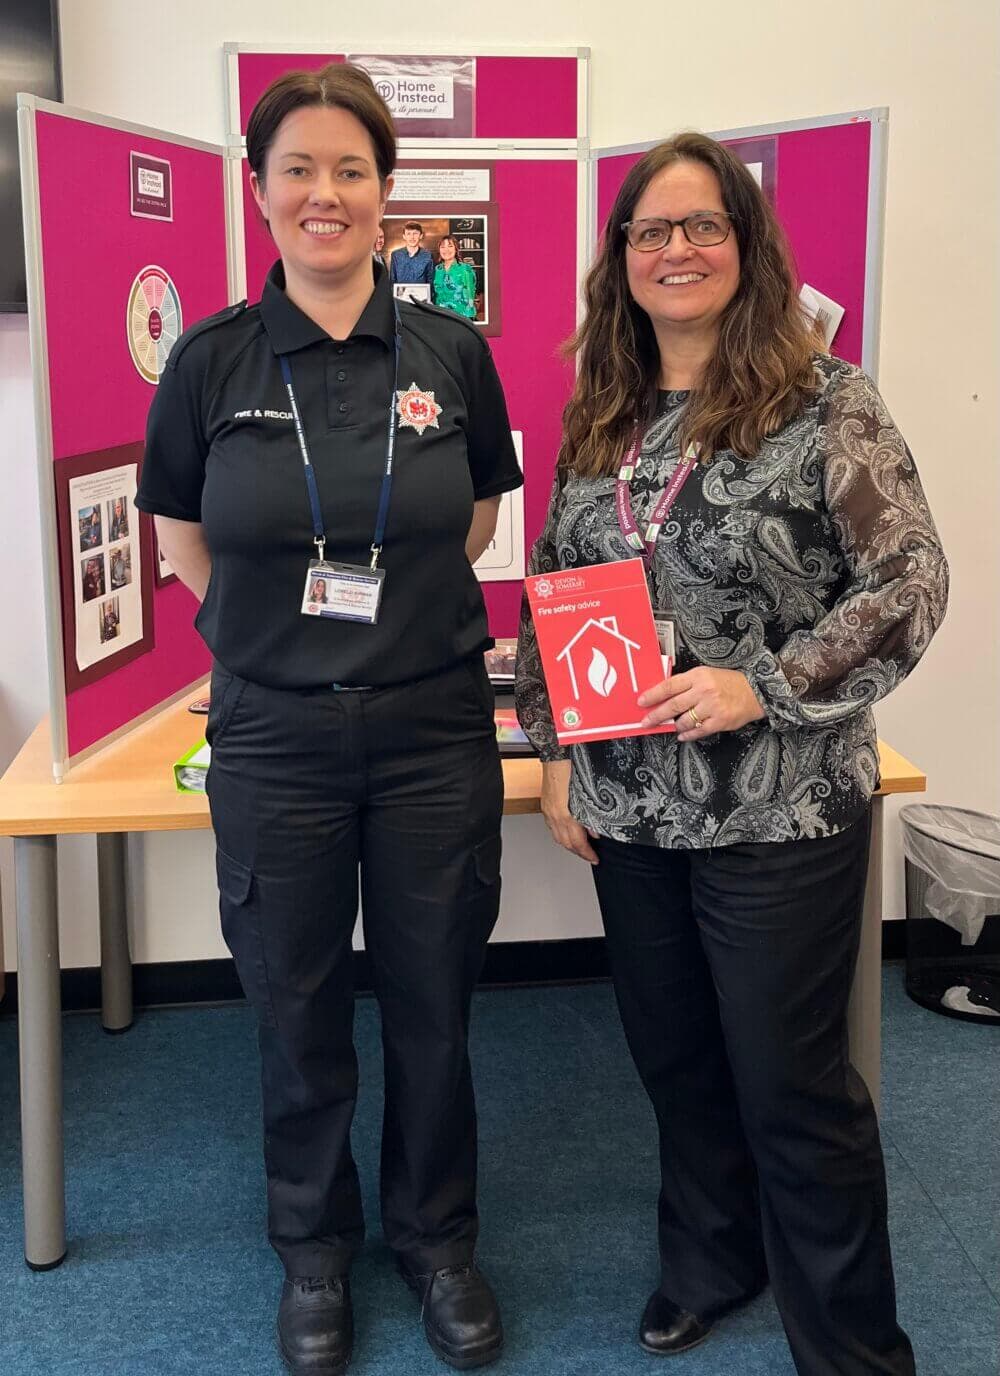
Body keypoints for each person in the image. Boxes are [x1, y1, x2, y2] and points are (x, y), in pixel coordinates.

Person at [515, 132, 947, 1376]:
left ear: (746, 247)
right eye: (651, 230)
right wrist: (555, 747)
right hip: (632, 805)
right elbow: (556, 584)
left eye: (703, 224)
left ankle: (852, 1347)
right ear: (622, 257)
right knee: (677, 1061)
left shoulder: (825, 399)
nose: (677, 249)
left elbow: (910, 579)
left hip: (780, 807)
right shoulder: (602, 413)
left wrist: (762, 683)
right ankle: (712, 1257)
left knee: (791, 1084)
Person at [136, 63, 522, 1376]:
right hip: (274, 735)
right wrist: (273, 639)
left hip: (430, 727)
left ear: (385, 191)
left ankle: (438, 1238)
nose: (325, 193)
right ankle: (312, 1248)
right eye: (297, 168)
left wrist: (381, 621)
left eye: (350, 169)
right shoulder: (210, 361)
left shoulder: (453, 352)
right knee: (293, 1000)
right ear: (259, 192)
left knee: (433, 998)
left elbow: (474, 516)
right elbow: (182, 533)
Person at [433, 236, 478, 320]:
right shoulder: (438, 269)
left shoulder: (465, 269)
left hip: (462, 317)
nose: (446, 250)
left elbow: (470, 295)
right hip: (441, 316)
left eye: (450, 246)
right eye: (442, 247)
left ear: (456, 249)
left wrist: (468, 318)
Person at [389, 220, 434, 288]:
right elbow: (392, 280)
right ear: (404, 236)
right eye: (408, 234)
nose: (412, 237)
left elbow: (430, 280)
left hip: (421, 294)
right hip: (401, 294)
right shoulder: (396, 255)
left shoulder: (428, 255)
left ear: (421, 236)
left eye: (415, 233)